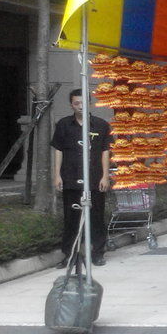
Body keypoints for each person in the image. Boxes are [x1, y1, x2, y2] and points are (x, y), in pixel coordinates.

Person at [51, 88, 111, 268]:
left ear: (89, 103)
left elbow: (105, 151)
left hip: (95, 178)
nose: (80, 106)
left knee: (96, 217)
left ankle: (97, 253)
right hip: (71, 177)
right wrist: (57, 175)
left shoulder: (101, 125)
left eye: (83, 103)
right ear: (71, 105)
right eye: (76, 103)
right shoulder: (63, 125)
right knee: (71, 219)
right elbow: (58, 150)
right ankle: (69, 255)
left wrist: (105, 176)